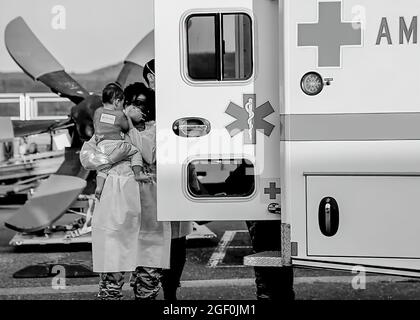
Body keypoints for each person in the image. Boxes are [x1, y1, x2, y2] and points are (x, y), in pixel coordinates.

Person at [80, 83, 171, 300]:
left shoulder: (156, 129)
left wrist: (129, 127)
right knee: (111, 279)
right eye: (131, 103)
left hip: (149, 212)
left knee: (148, 281)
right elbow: (87, 157)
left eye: (141, 104)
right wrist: (109, 159)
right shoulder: (110, 129)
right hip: (115, 211)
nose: (135, 108)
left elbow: (149, 154)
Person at [143, 60, 193, 300]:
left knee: (176, 241)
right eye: (151, 77)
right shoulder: (140, 105)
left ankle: (170, 290)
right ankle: (153, 290)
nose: (153, 82)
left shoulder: (179, 101)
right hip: (151, 182)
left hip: (173, 178)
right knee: (157, 241)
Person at [92, 83, 146, 200]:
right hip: (115, 145)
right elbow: (126, 127)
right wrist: (128, 118)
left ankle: (99, 186)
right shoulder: (119, 114)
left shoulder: (97, 112)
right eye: (122, 102)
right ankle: (138, 174)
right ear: (116, 102)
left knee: (102, 168)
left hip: (101, 146)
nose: (122, 105)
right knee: (135, 152)